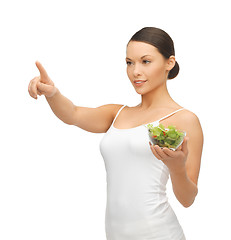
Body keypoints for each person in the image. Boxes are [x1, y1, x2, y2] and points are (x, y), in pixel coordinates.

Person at [28, 26, 203, 240]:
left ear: (169, 62)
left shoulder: (184, 119)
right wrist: (52, 93)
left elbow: (188, 199)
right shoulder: (117, 113)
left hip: (159, 233)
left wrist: (177, 169)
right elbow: (72, 114)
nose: (135, 71)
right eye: (129, 62)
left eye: (145, 61)